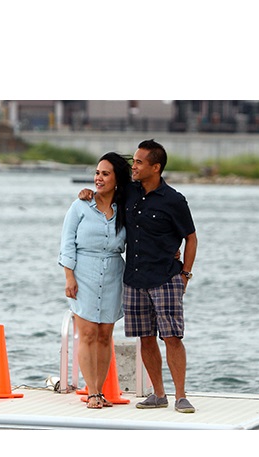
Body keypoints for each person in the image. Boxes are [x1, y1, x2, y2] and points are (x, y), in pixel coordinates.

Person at [79, 139, 198, 413]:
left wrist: (185, 274)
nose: (134, 166)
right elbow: (105, 192)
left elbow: (191, 238)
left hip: (166, 278)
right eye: (133, 161)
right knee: (145, 338)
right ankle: (158, 394)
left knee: (172, 338)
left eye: (140, 162)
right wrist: (86, 192)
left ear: (156, 167)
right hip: (133, 279)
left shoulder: (175, 200)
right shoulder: (129, 192)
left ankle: (180, 395)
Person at [59, 152, 132, 409]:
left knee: (104, 335)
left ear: (117, 180)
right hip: (84, 272)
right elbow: (67, 243)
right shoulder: (80, 206)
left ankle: (100, 391)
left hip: (114, 273)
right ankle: (91, 392)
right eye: (97, 173)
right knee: (87, 333)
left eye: (105, 174)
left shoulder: (125, 209)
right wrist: (69, 276)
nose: (98, 178)